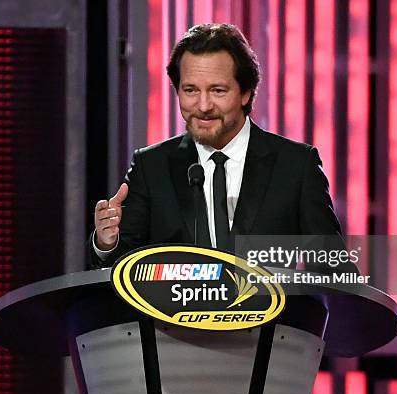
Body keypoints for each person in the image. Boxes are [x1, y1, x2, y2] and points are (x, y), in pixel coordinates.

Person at [89, 23, 356, 274]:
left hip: (271, 321)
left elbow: (333, 272)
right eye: (190, 90)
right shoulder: (151, 166)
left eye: (217, 91)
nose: (203, 106)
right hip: (174, 323)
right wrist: (106, 243)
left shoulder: (296, 166)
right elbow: (122, 272)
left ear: (246, 93)